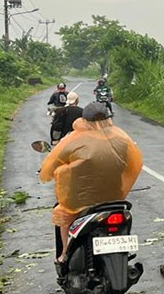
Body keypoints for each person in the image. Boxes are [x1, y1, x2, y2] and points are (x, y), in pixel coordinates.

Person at [40, 102, 143, 263]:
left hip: (81, 200)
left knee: (63, 216)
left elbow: (52, 164)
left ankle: (64, 253)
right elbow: (134, 163)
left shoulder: (74, 140)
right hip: (113, 195)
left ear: (84, 120)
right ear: (108, 118)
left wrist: (59, 172)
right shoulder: (121, 138)